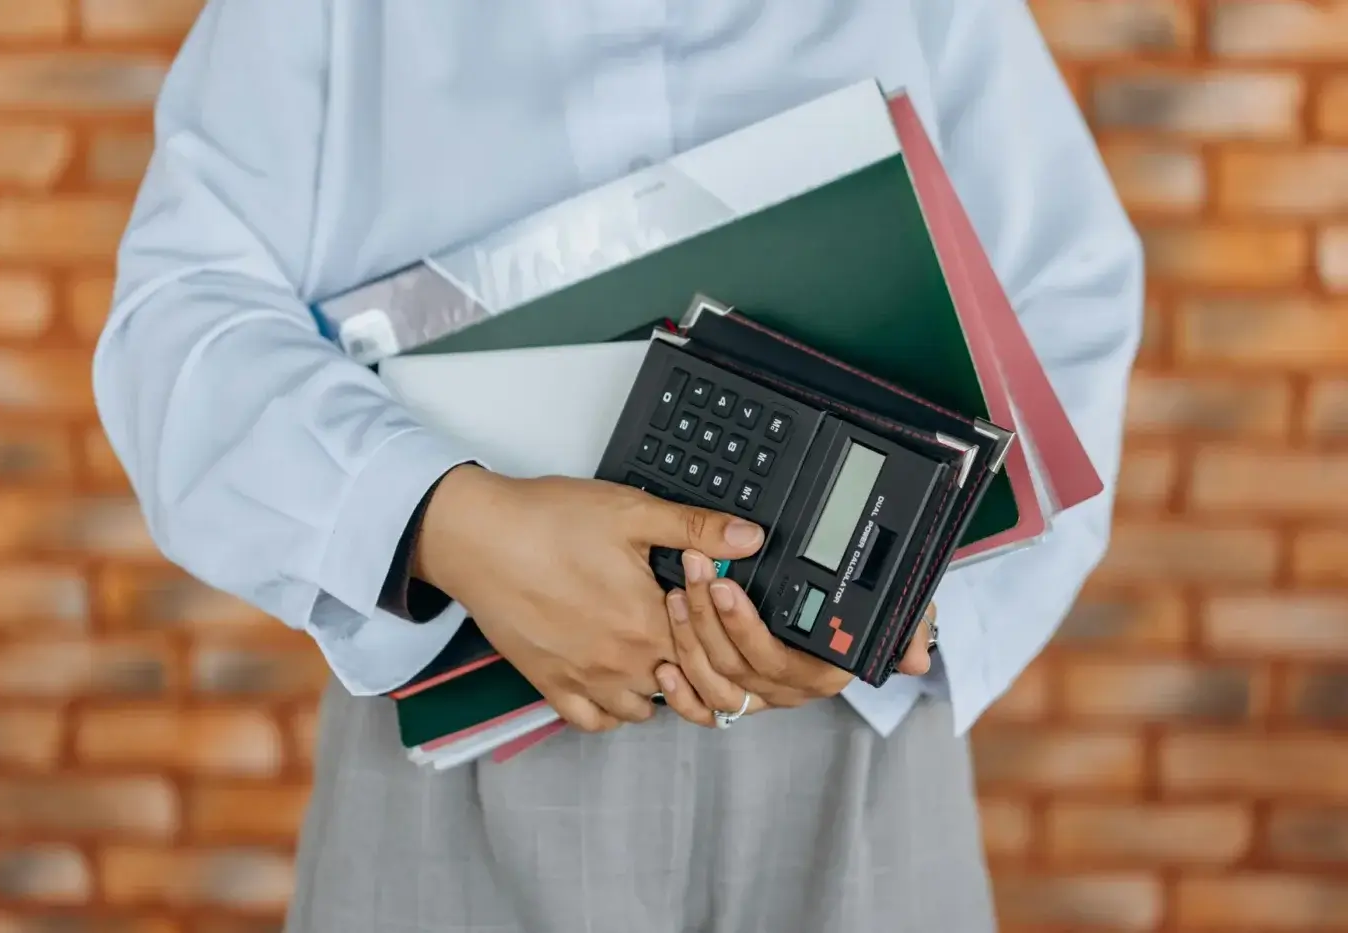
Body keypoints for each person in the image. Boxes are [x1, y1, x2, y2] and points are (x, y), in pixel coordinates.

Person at [93, 1, 1143, 931]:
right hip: (458, 748)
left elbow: (1065, 292)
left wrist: (909, 612)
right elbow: (178, 324)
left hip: (847, 754)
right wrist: (437, 518)